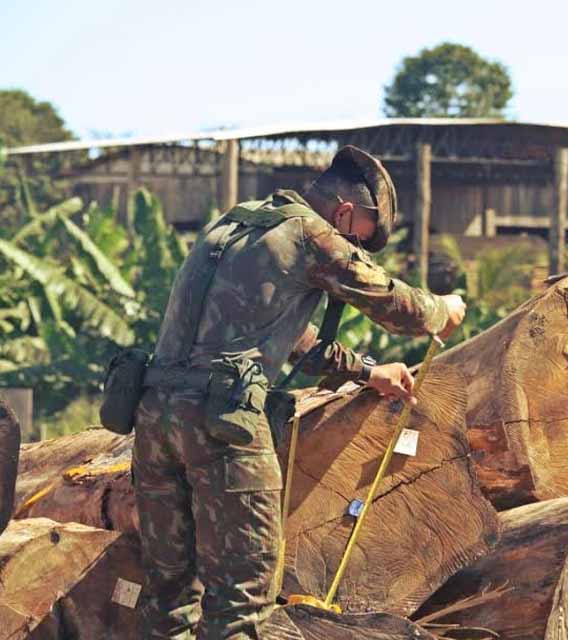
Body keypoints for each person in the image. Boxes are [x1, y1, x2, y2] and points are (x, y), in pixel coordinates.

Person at [132, 145, 466, 638]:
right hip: (220, 424)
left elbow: (283, 336)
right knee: (242, 600)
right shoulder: (312, 235)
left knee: (170, 598)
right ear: (346, 212)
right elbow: (399, 308)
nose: (352, 247)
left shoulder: (238, 224)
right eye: (358, 240)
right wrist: (444, 308)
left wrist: (366, 371)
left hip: (154, 417)